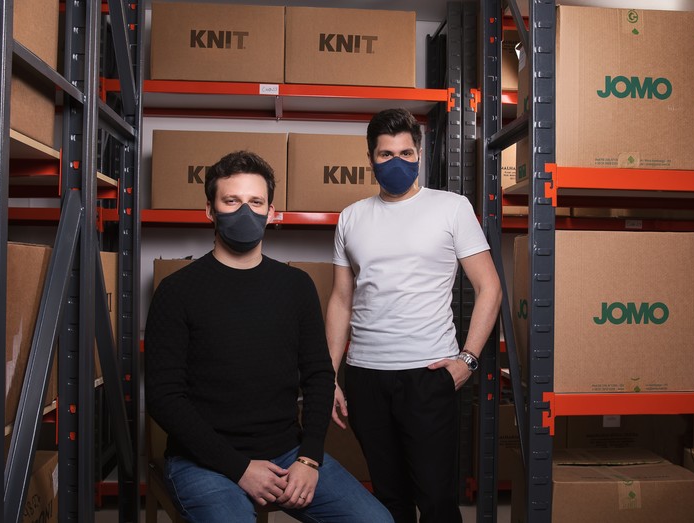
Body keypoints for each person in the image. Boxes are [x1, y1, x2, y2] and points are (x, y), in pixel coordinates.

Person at [145, 151, 393, 523]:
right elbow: (164, 397)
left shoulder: (296, 286)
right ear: (210, 210)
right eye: (232, 201)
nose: (245, 211)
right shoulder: (176, 291)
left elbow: (319, 375)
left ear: (271, 212)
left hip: (288, 453)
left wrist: (309, 458)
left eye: (256, 202)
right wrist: (239, 468)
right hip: (202, 461)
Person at [325, 108, 503, 523]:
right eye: (386, 154)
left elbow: (490, 287)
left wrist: (468, 359)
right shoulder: (351, 217)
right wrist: (328, 376)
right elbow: (340, 300)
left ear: (419, 154)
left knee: (437, 501)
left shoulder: (452, 208)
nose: (397, 162)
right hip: (365, 376)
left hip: (428, 373)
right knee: (390, 500)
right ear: (370, 159)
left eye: (406, 153)